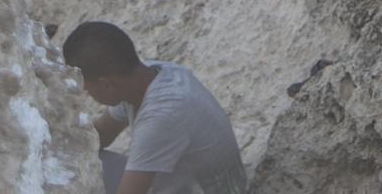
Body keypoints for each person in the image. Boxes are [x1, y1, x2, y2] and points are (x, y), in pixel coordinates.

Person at [61, 20, 247, 194]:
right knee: (77, 162)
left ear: (107, 84)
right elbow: (100, 136)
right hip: (185, 181)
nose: (87, 93)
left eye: (87, 88)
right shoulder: (143, 76)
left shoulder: (162, 115)